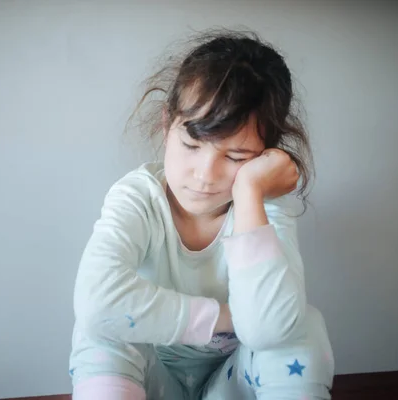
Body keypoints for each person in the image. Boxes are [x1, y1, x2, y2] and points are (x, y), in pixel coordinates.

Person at [68, 28, 335, 399]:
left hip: (231, 386)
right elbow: (97, 303)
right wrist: (224, 319)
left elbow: (267, 331)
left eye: (236, 157)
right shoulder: (137, 196)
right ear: (167, 125)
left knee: (300, 326)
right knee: (98, 330)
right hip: (151, 381)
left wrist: (249, 192)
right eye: (191, 144)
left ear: (265, 155)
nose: (204, 176)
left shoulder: (266, 205)